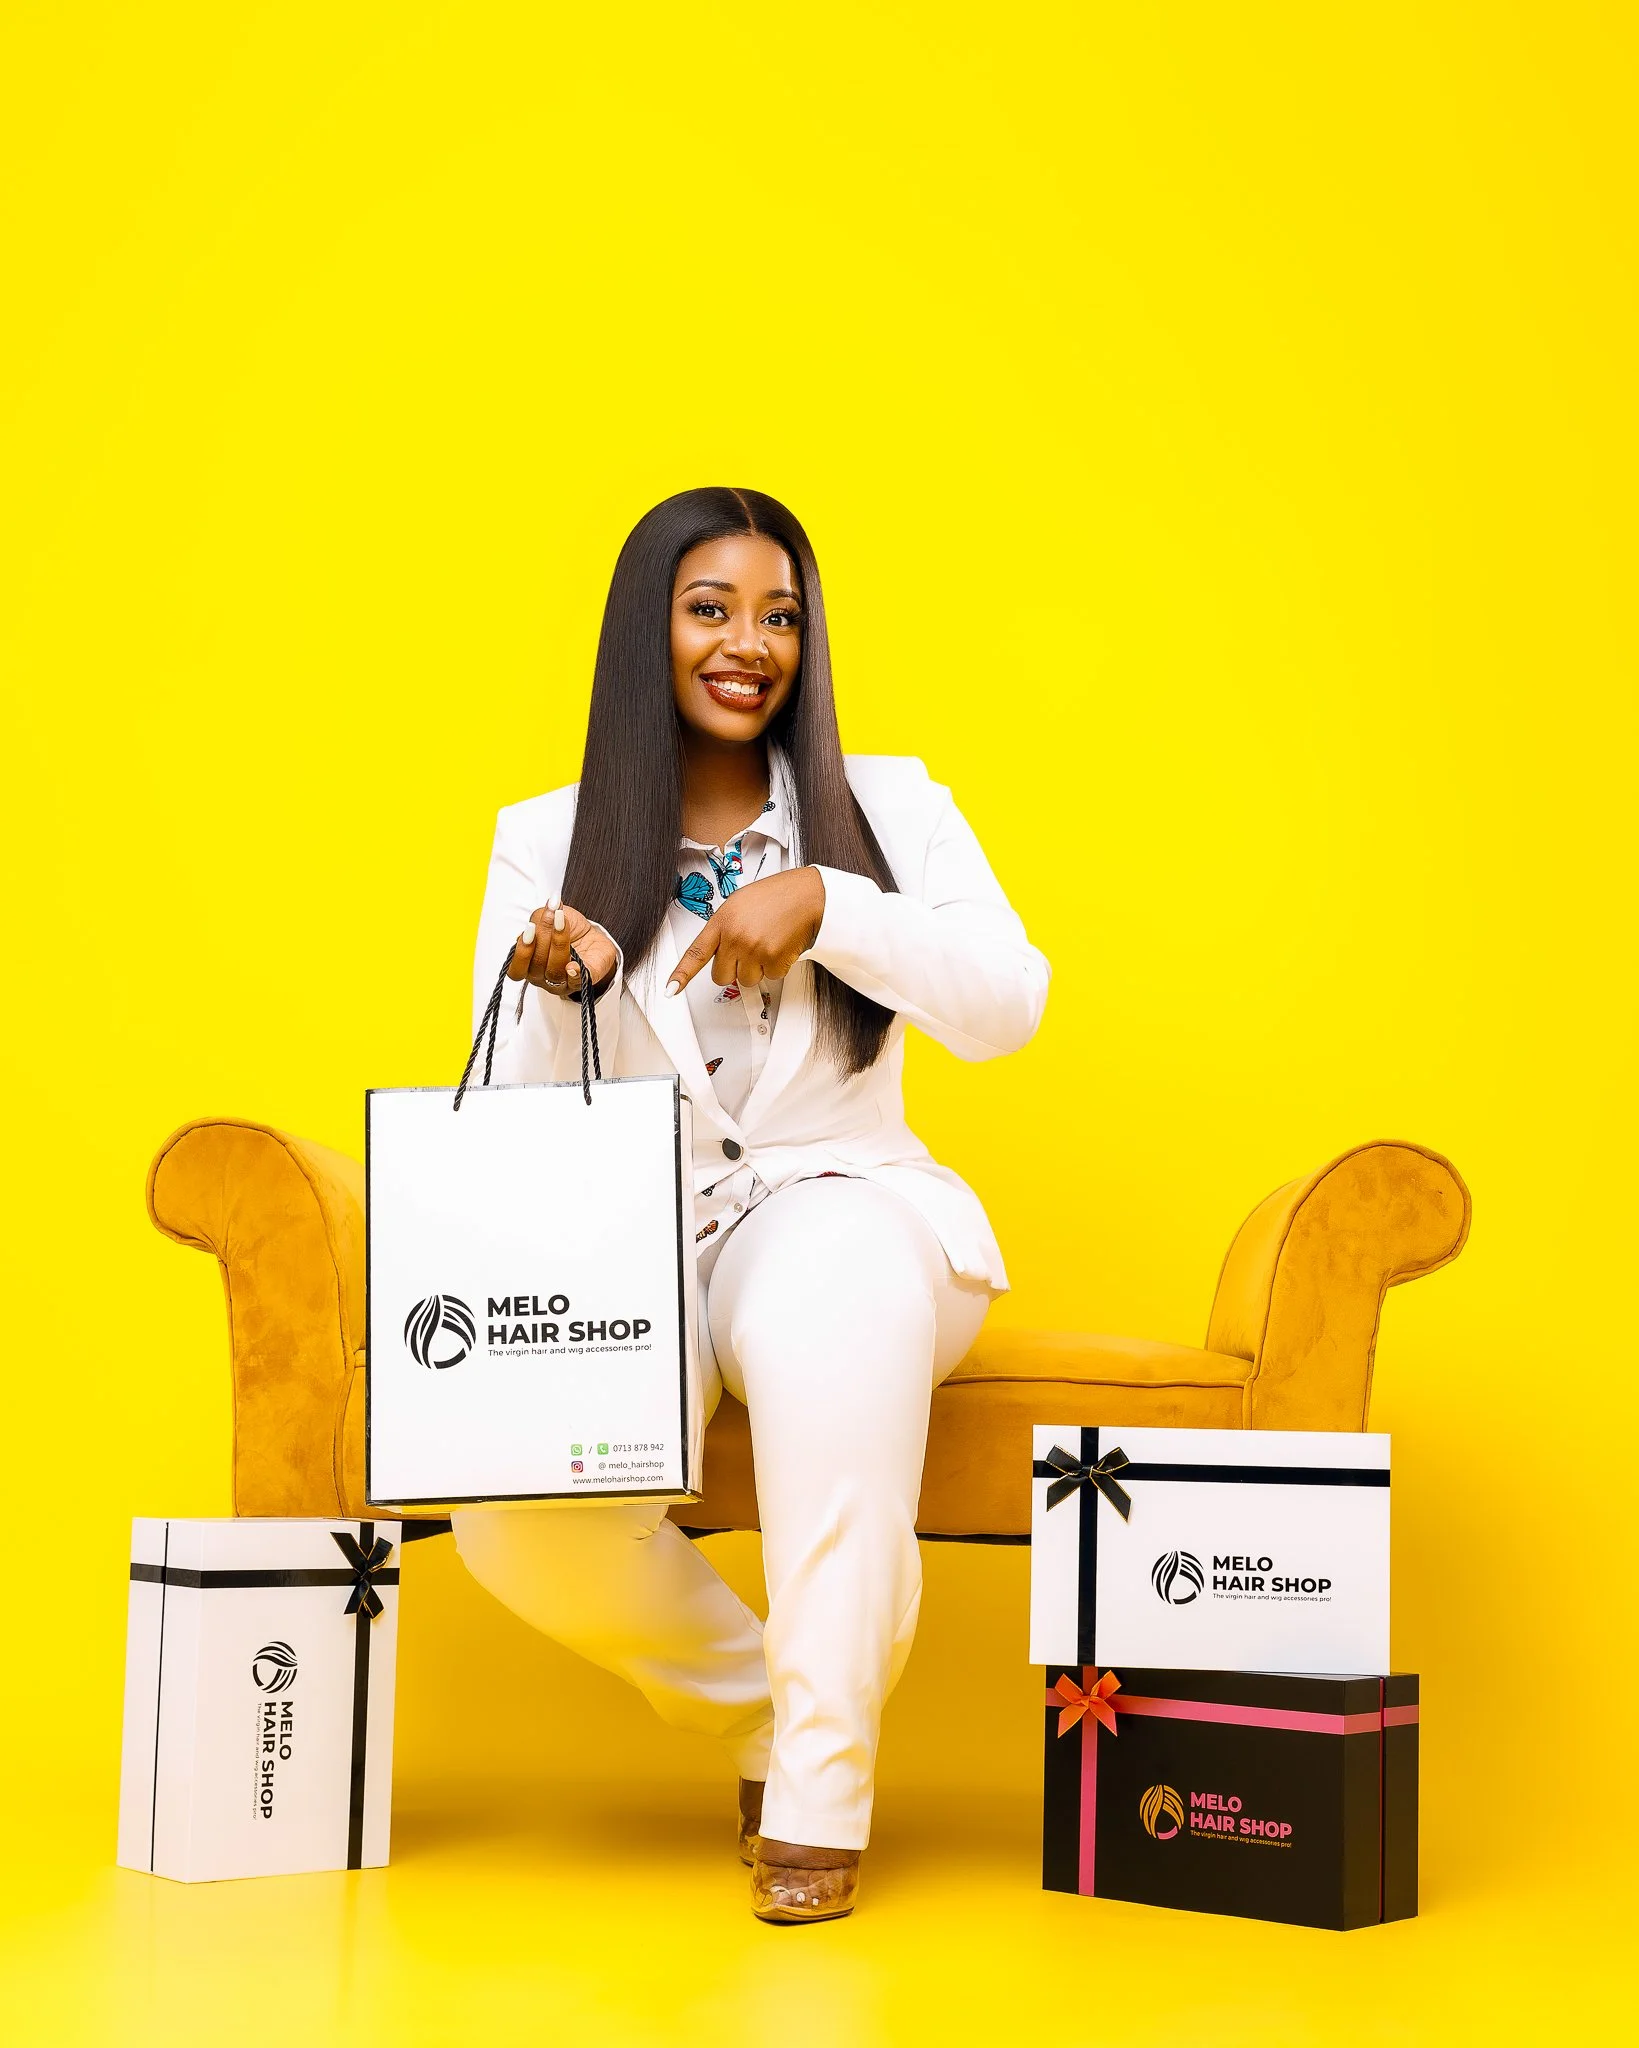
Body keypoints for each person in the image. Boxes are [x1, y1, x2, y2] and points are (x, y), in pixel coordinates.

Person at [453, 486, 1049, 1922]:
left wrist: (832, 905)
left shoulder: (889, 805)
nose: (749, 643)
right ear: (644, 631)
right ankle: (769, 1720)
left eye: (779, 615)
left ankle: (819, 1803)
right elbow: (509, 1120)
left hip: (854, 1206)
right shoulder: (545, 836)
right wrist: (565, 994)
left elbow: (1008, 1007)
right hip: (648, 1256)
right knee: (505, 1512)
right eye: (710, 608)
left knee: (823, 1306)